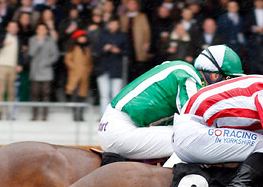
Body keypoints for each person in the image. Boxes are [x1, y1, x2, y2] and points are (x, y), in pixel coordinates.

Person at [97, 45, 241, 164]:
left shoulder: (184, 69)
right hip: (120, 130)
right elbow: (195, 122)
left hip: (115, 126)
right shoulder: (189, 78)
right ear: (215, 75)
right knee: (190, 141)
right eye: (229, 80)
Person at [94, 18, 129, 115]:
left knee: (116, 95)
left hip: (117, 69)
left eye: (115, 24)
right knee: (104, 95)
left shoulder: (122, 36)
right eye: (111, 24)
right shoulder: (102, 36)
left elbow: (128, 52)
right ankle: (103, 115)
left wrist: (118, 51)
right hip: (103, 68)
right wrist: (105, 49)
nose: (113, 26)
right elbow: (96, 51)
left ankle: (113, 117)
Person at [28, 23, 59, 121]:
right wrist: (38, 43)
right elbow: (31, 53)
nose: (41, 31)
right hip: (35, 70)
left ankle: (45, 114)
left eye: (43, 29)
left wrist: (46, 62)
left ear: (46, 31)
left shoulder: (51, 41)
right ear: (37, 30)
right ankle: (35, 114)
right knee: (35, 93)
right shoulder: (32, 40)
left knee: (46, 94)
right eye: (39, 29)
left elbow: (55, 55)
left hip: (46, 70)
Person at [64, 29, 93, 122]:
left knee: (82, 96)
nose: (83, 39)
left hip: (84, 76)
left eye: (84, 37)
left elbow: (89, 62)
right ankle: (75, 115)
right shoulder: (73, 49)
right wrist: (75, 68)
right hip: (75, 75)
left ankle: (80, 115)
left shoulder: (87, 49)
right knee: (74, 95)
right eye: (81, 37)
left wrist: (88, 70)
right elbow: (67, 60)